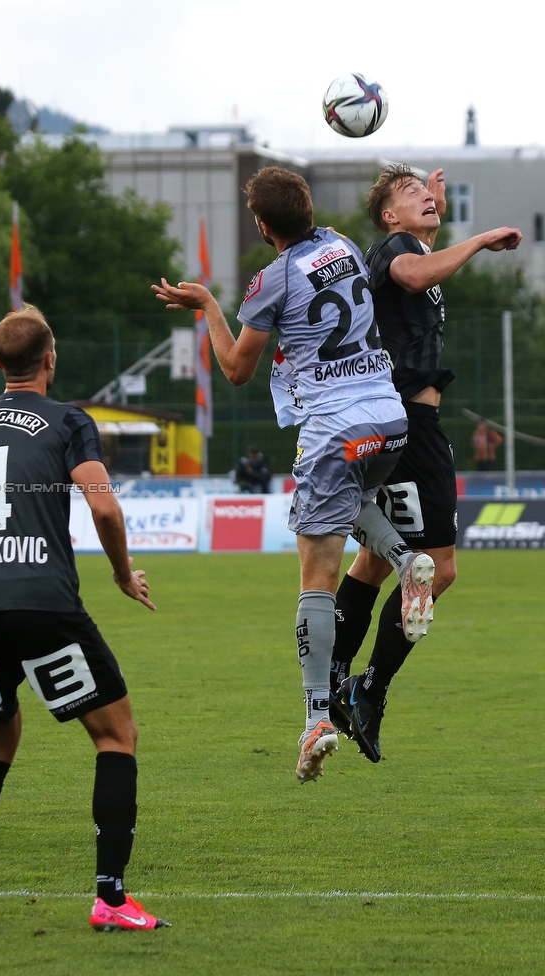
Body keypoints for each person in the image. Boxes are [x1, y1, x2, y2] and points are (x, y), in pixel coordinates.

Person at [154, 166, 434, 784]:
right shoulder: (342, 246)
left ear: (261, 225)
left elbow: (234, 368)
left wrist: (206, 305)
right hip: (388, 419)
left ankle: (314, 718)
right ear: (308, 208)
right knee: (349, 498)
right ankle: (403, 558)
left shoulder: (271, 279)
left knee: (317, 582)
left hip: (334, 428)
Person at [0, 305, 168, 933]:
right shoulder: (69, 420)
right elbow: (104, 509)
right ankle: (109, 897)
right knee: (115, 735)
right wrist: (120, 572)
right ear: (51, 359)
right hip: (44, 602)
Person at [330, 165, 521, 763]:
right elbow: (413, 269)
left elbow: (421, 263)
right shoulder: (398, 249)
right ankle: (368, 689)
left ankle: (333, 677)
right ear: (389, 216)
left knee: (374, 561)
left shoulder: (410, 244)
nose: (425, 199)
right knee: (437, 568)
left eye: (426, 192)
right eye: (410, 195)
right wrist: (479, 239)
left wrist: (435, 220)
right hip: (410, 429)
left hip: (395, 423)